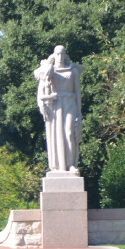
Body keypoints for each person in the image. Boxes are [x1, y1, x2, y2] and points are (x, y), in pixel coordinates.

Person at [33, 45, 83, 173]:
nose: (59, 57)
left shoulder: (73, 71)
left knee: (69, 132)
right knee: (57, 135)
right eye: (57, 54)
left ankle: (71, 164)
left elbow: (77, 92)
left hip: (70, 103)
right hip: (55, 105)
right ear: (54, 56)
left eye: (62, 54)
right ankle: (59, 165)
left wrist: (79, 112)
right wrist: (42, 106)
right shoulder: (50, 71)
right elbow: (41, 89)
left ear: (65, 55)